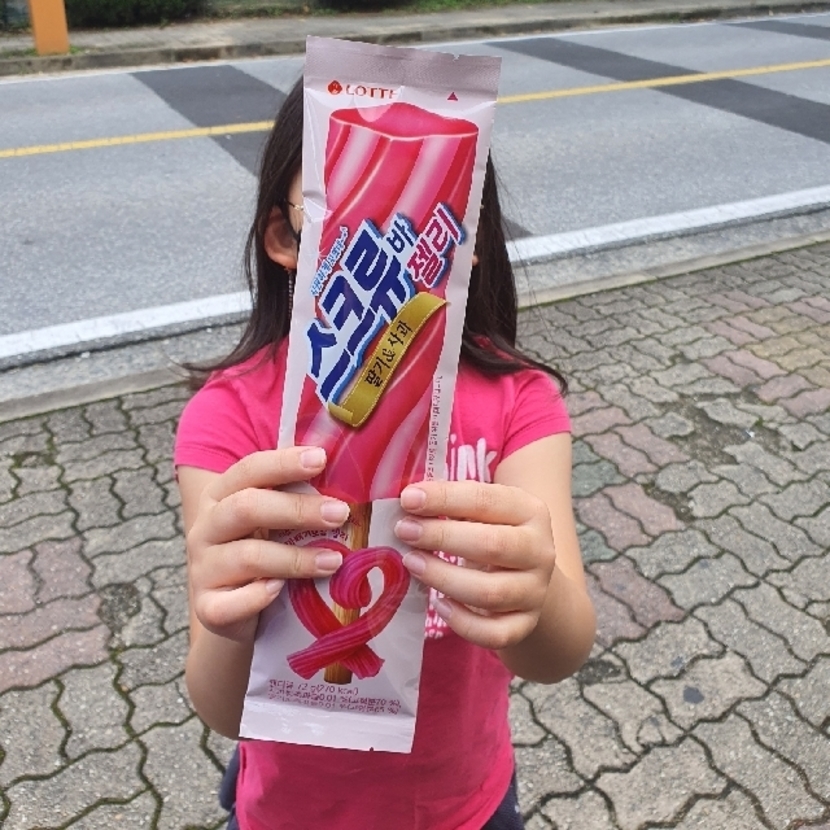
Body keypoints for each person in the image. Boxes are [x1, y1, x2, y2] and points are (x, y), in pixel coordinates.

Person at [175, 75, 596, 830]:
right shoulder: (229, 417)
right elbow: (221, 708)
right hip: (287, 812)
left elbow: (559, 654)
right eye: (340, 220)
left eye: (431, 219)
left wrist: (536, 596)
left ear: (468, 244)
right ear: (283, 238)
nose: (387, 263)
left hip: (468, 804)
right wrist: (227, 615)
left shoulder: (520, 402)